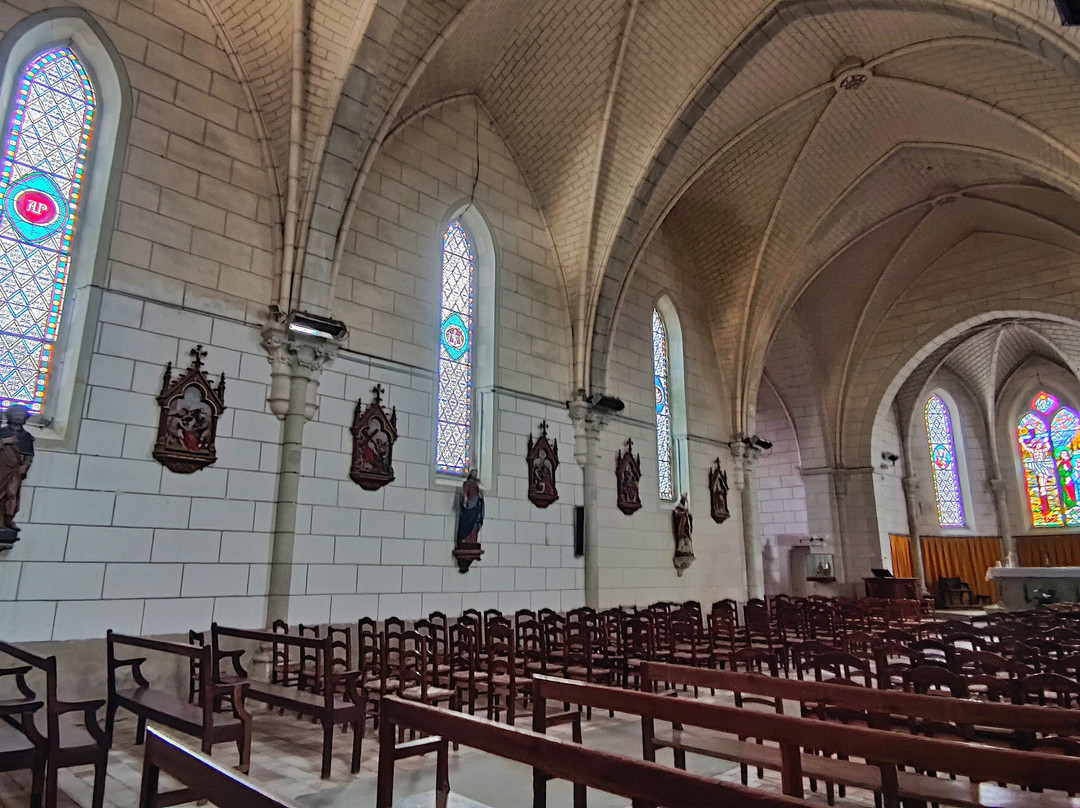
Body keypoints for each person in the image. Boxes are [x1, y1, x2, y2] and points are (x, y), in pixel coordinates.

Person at [0, 404, 34, 530]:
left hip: (15, 470)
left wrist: (25, 465)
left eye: (21, 415)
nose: (19, 417)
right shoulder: (2, 432)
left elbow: (29, 455)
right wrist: (4, 441)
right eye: (16, 414)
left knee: (11, 494)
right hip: (2, 468)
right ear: (11, 416)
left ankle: (8, 520)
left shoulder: (26, 437)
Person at [456, 469, 484, 546]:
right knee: (468, 522)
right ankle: (466, 539)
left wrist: (480, 496)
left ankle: (473, 540)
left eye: (476, 473)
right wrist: (465, 500)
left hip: (476, 505)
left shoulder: (476, 484)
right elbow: (465, 493)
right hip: (470, 505)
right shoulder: (467, 483)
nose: (475, 475)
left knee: (475, 522)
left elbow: (479, 494)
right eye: (473, 473)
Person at [672, 493, 695, 575]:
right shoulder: (678, 510)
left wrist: (689, 516)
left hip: (686, 530)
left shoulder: (685, 512)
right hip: (681, 529)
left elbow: (689, 521)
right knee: (681, 541)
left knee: (687, 541)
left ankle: (688, 551)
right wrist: (683, 515)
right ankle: (680, 550)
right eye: (684, 502)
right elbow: (677, 519)